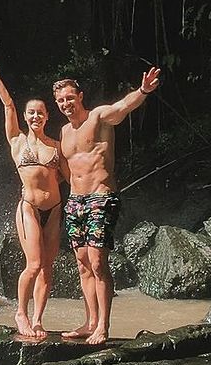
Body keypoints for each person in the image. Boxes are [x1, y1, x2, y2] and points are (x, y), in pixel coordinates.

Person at [54, 67, 161, 346]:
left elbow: (123, 106)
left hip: (101, 197)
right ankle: (90, 322)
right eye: (61, 100)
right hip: (75, 201)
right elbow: (66, 168)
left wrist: (143, 91)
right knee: (82, 264)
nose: (66, 103)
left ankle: (103, 325)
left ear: (80, 96)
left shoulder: (98, 117)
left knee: (98, 262)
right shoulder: (64, 132)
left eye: (69, 98)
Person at [0, 59, 64, 341]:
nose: (36, 116)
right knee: (34, 264)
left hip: (55, 209)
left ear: (47, 116)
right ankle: (21, 313)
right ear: (25, 117)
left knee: (47, 269)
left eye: (40, 113)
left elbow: (69, 176)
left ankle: (37, 320)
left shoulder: (57, 146)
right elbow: (8, 105)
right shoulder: (17, 141)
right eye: (31, 113)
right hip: (29, 209)